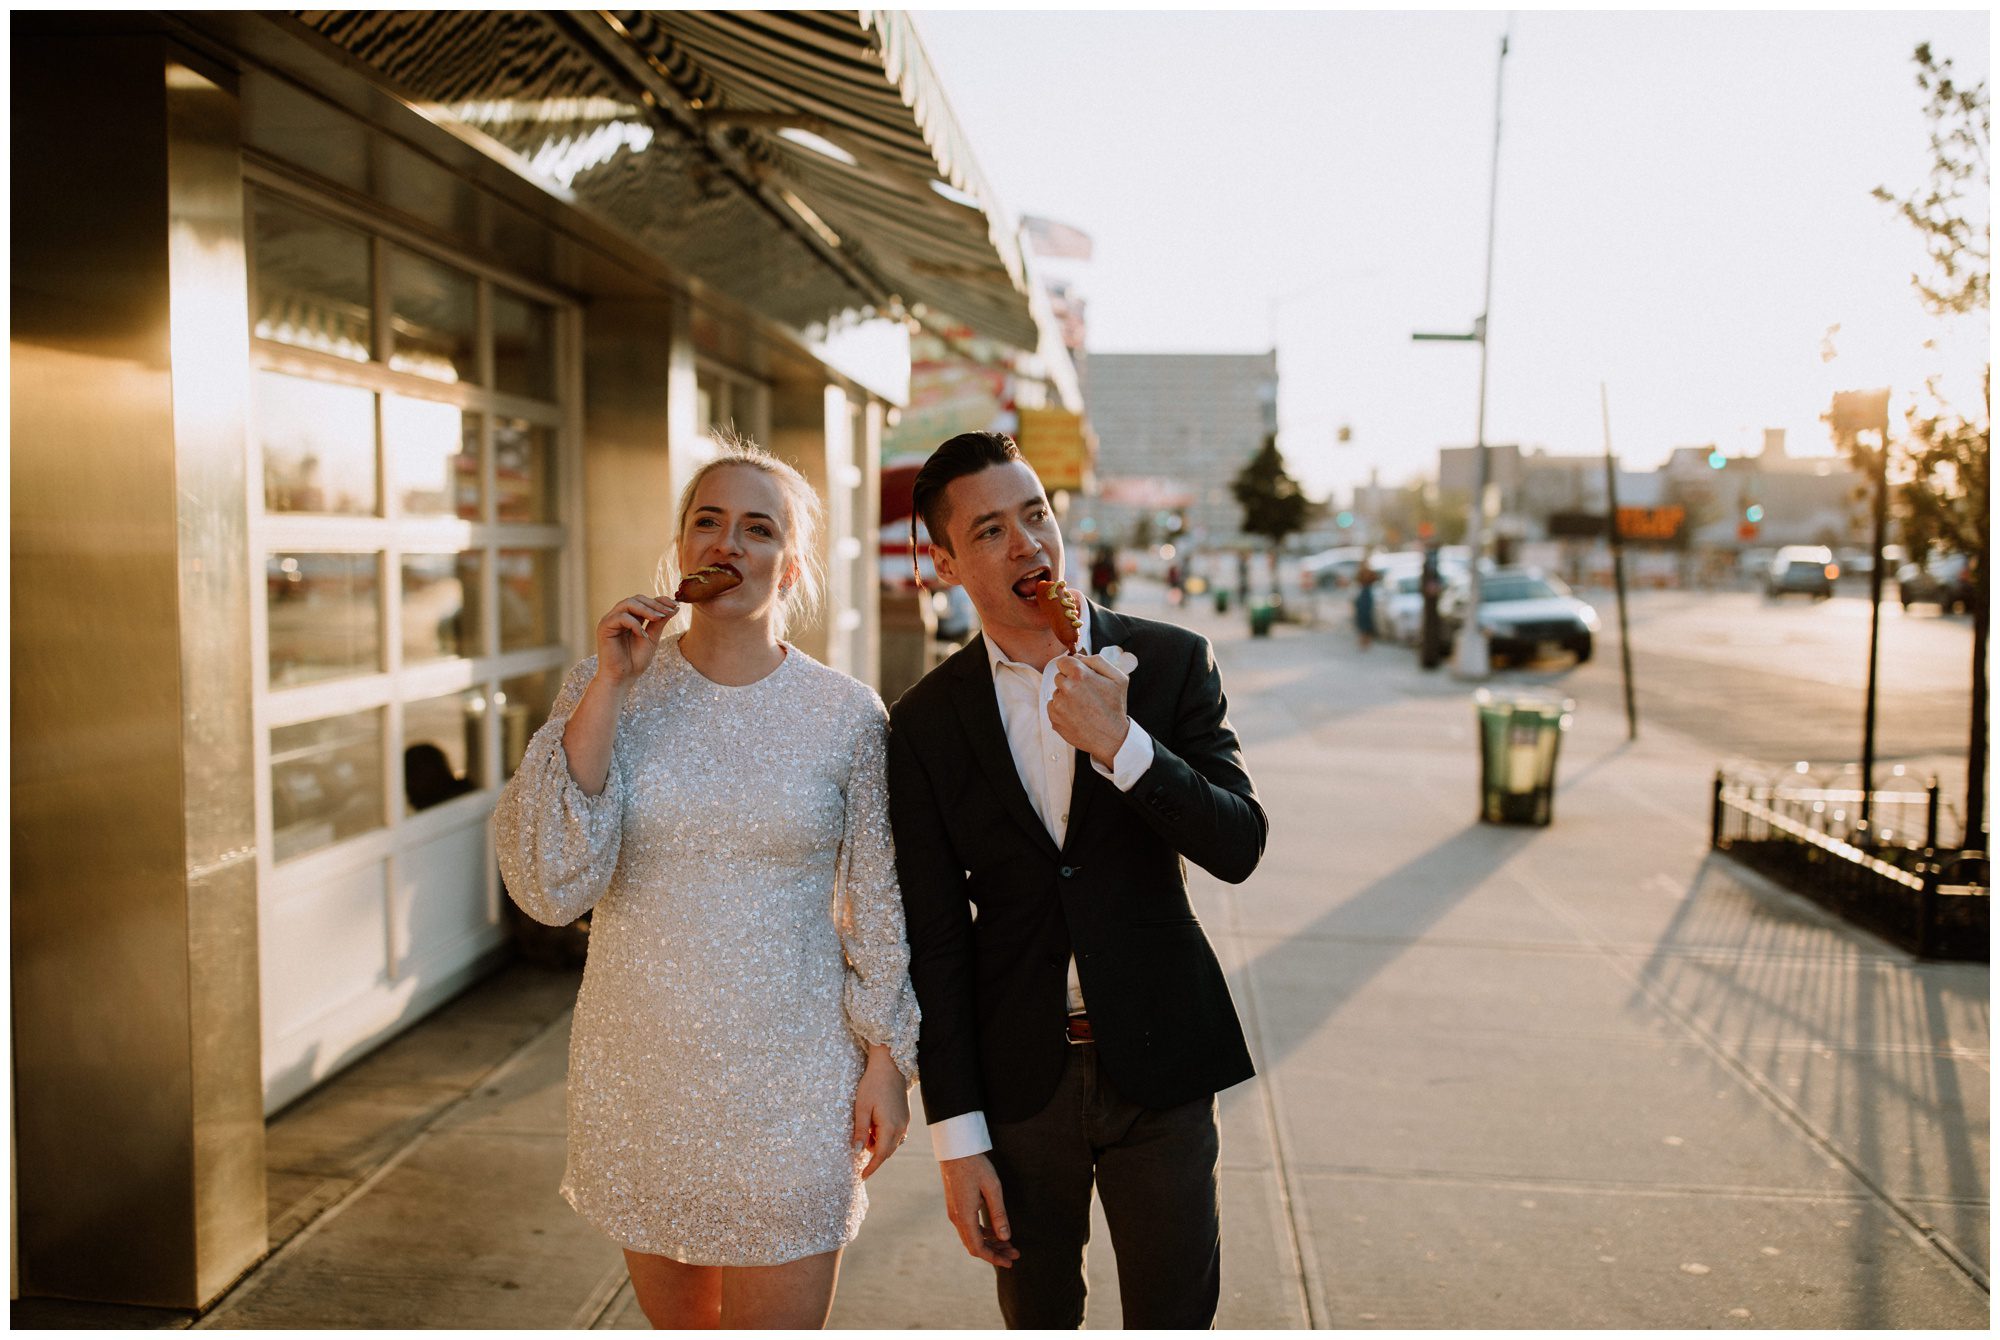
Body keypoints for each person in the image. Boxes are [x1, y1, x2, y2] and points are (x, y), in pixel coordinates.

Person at [493, 437, 920, 1329]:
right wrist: (610, 684)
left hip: (798, 1080)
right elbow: (550, 880)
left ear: (790, 565)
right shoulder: (608, 686)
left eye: (758, 529)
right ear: (682, 548)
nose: (729, 543)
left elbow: (881, 903)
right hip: (644, 1073)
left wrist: (888, 1060)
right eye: (708, 522)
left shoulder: (846, 715)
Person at [886, 431, 1267, 1329]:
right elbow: (934, 938)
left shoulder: (1171, 662)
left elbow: (1239, 844)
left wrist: (1124, 747)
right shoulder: (926, 722)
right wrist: (957, 1138)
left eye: (1036, 515)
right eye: (989, 531)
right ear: (945, 563)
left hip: (1161, 1061)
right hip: (1020, 1079)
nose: (1027, 544)